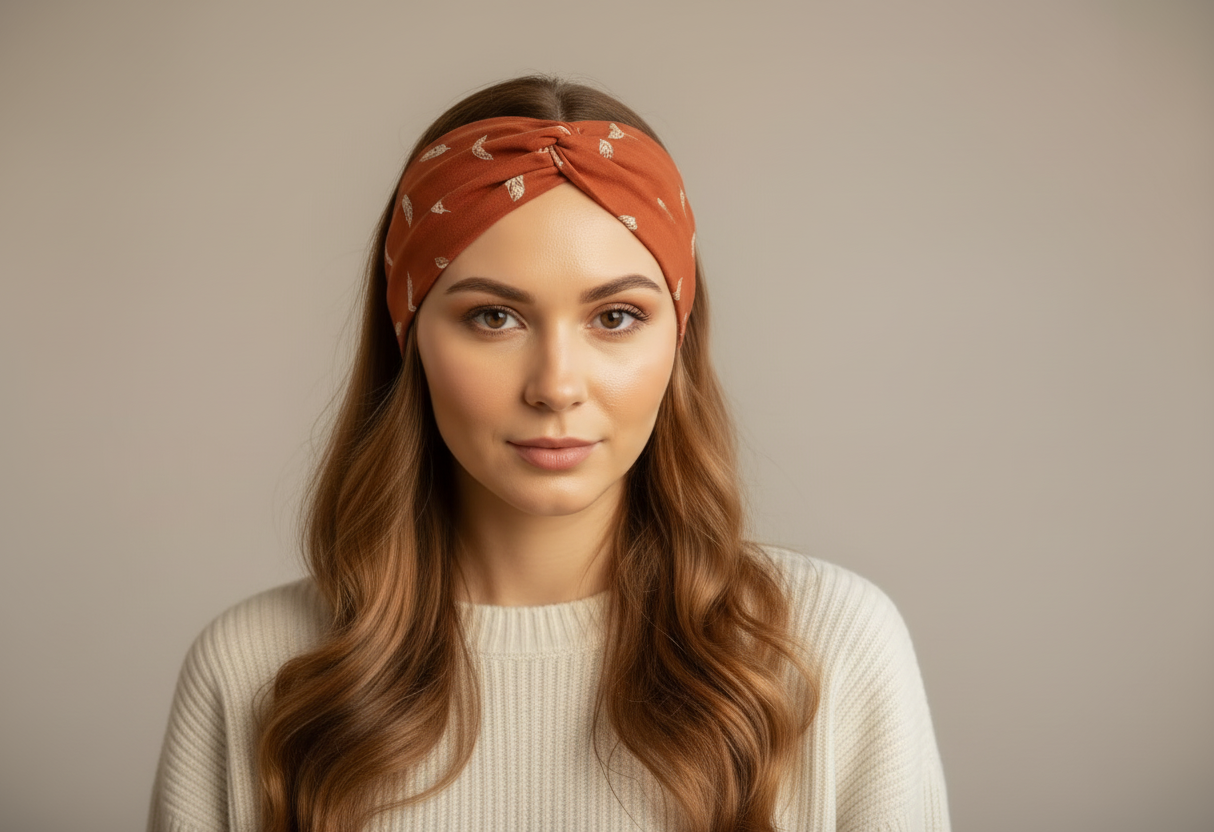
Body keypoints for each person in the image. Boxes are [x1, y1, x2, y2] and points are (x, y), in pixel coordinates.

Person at [147, 74, 950, 832]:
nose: (556, 386)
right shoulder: (256, 671)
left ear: (680, 338)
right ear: (409, 338)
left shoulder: (831, 653)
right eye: (495, 318)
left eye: (616, 318)